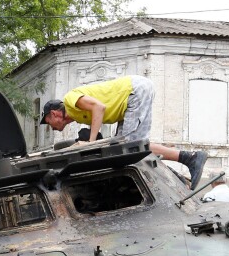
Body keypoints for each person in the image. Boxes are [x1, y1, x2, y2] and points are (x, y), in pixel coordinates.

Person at [40, 75, 209, 190]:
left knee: (130, 147)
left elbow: (99, 107)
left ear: (54, 114)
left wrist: (91, 142)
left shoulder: (70, 100)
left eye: (48, 122)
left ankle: (189, 158)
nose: (51, 127)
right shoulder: (78, 116)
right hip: (131, 98)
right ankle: (178, 174)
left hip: (134, 91)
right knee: (130, 148)